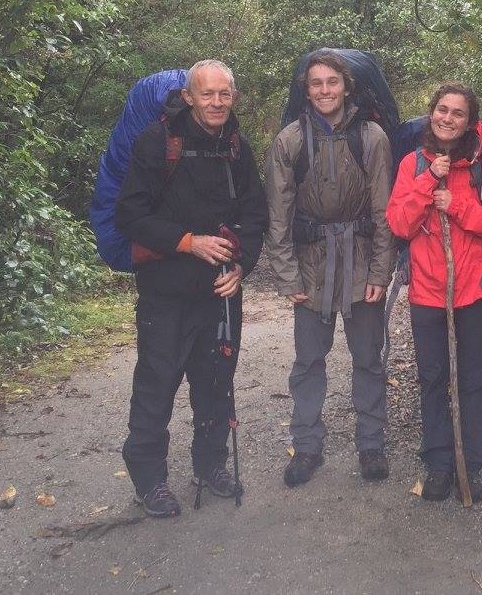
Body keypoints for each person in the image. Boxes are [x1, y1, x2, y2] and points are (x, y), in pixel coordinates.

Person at [116, 59, 267, 518]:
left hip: (220, 293)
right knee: (156, 386)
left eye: (225, 94)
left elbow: (255, 215)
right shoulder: (157, 143)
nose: (217, 102)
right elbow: (130, 215)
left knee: (216, 383)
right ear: (189, 97)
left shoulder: (238, 148)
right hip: (166, 292)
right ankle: (149, 480)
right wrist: (186, 242)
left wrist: (242, 264)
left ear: (234, 97)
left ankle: (211, 465)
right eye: (207, 94)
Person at [266, 51, 394, 486]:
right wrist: (287, 276)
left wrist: (380, 272)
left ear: (346, 86)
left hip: (360, 265)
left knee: (368, 360)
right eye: (316, 83)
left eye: (332, 82)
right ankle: (306, 446)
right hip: (311, 266)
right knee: (307, 362)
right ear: (307, 90)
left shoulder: (372, 137)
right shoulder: (289, 140)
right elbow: (278, 215)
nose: (324, 90)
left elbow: (383, 211)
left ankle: (371, 444)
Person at [386, 82, 482, 503]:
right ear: (431, 113)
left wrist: (455, 205)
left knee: (472, 381)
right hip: (426, 291)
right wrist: (428, 186)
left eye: (458, 113)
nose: (447, 118)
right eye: (442, 110)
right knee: (432, 379)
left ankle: (469, 464)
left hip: (473, 290)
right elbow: (399, 225)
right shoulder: (412, 164)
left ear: (470, 122)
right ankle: (440, 463)